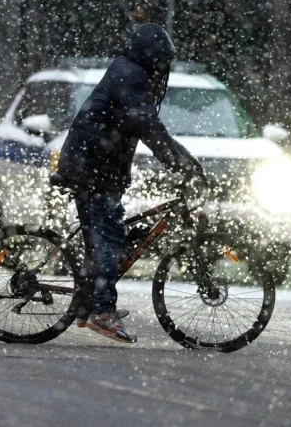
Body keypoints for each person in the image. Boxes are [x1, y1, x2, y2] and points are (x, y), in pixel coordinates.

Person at [54, 23, 204, 343]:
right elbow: (148, 126)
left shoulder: (128, 71)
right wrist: (182, 163)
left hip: (93, 164)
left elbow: (145, 126)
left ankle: (88, 301)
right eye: (162, 61)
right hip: (92, 167)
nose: (164, 68)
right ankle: (102, 310)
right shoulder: (132, 77)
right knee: (107, 236)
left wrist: (180, 159)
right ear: (151, 58)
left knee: (106, 235)